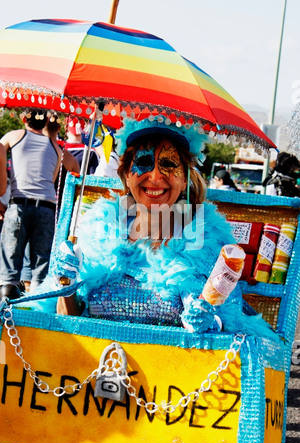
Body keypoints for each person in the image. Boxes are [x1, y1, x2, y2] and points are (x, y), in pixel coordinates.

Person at [47, 116, 278, 342]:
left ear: (185, 178)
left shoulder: (210, 242)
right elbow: (65, 324)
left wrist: (211, 323)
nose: (156, 177)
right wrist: (65, 285)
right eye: (144, 163)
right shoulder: (97, 230)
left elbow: (233, 323)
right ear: (126, 175)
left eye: (168, 164)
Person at [0, 109, 78, 295]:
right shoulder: (55, 147)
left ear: (25, 119)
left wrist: (2, 187)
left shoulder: (15, 136)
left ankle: (5, 304)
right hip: (46, 208)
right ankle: (36, 306)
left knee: (9, 269)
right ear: (45, 124)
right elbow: (72, 168)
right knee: (40, 268)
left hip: (19, 203)